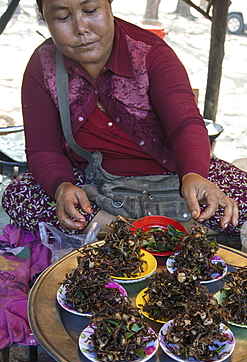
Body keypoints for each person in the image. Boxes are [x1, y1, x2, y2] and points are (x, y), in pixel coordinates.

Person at [2, 0, 244, 237]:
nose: (80, 28)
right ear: (46, 20)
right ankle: (160, 232)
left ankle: (117, 232)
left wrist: (193, 174)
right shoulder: (43, 66)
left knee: (238, 197)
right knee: (21, 193)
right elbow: (43, 150)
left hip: (173, 180)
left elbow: (185, 125)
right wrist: (61, 186)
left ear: (109, 5)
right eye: (62, 17)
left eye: (90, 10)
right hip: (95, 189)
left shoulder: (150, 53)